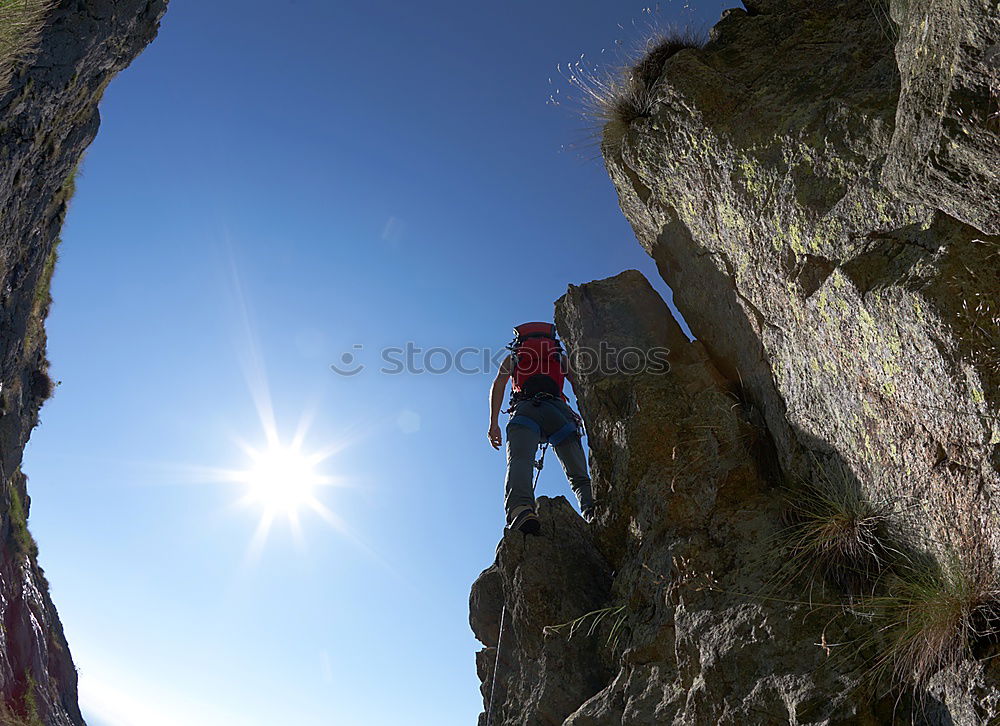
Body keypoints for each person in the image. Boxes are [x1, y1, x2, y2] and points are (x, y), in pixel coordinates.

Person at [487, 322, 595, 535]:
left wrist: (493, 424)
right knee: (578, 476)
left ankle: (521, 510)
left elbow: (498, 384)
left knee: (520, 461)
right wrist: (590, 416)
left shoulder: (515, 357)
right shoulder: (558, 357)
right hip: (559, 413)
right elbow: (580, 385)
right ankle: (592, 510)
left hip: (525, 410)